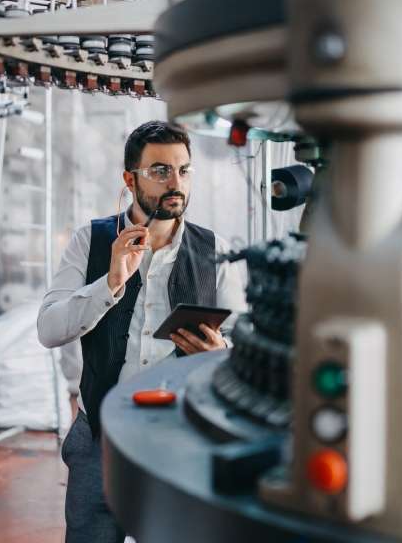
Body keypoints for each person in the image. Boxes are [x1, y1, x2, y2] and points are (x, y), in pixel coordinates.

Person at [37, 120, 246, 543]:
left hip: (183, 439)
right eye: (160, 170)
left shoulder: (215, 250)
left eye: (184, 170)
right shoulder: (90, 241)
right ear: (129, 179)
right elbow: (49, 329)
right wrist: (110, 281)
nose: (176, 183)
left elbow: (244, 345)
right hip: (100, 437)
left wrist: (221, 350)